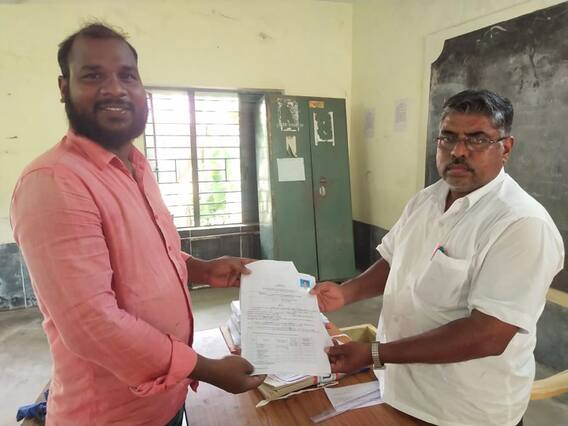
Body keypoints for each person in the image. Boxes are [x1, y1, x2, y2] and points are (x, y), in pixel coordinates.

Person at [10, 23, 264, 426]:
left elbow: (146, 257)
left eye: (127, 75)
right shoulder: (54, 182)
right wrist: (205, 369)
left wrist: (199, 269)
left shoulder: (136, 167)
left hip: (164, 401)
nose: (115, 89)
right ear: (63, 87)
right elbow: (93, 324)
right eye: (93, 76)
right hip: (111, 415)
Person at [311, 89, 564, 426]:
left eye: (477, 139)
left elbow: (488, 335)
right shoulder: (427, 199)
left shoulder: (521, 224)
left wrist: (374, 353)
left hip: (463, 412)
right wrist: (346, 292)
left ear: (505, 148)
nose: (458, 151)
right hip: (399, 389)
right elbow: (395, 259)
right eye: (448, 138)